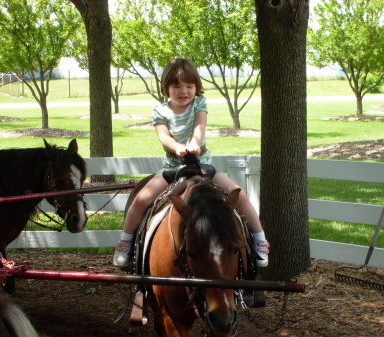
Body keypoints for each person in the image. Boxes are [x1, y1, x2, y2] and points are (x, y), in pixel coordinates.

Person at [113, 58, 269, 268]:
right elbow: (163, 136)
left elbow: (199, 127)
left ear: (196, 87)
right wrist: (176, 147)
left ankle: (259, 240)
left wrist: (195, 143)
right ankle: (125, 242)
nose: (183, 91)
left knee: (238, 194)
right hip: (173, 168)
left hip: (202, 166)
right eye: (176, 86)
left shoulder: (199, 104)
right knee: (141, 199)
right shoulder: (160, 110)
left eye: (189, 86)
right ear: (166, 88)